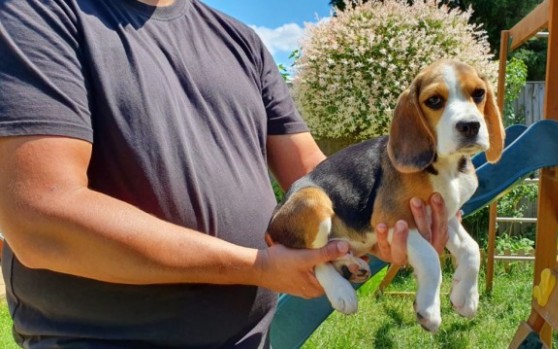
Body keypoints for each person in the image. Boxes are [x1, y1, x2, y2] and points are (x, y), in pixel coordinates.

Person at [0, 0, 451, 348]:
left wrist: (383, 220)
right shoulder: (35, 15)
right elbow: (41, 217)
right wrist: (257, 268)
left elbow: (323, 178)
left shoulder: (241, 41)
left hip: (253, 337)